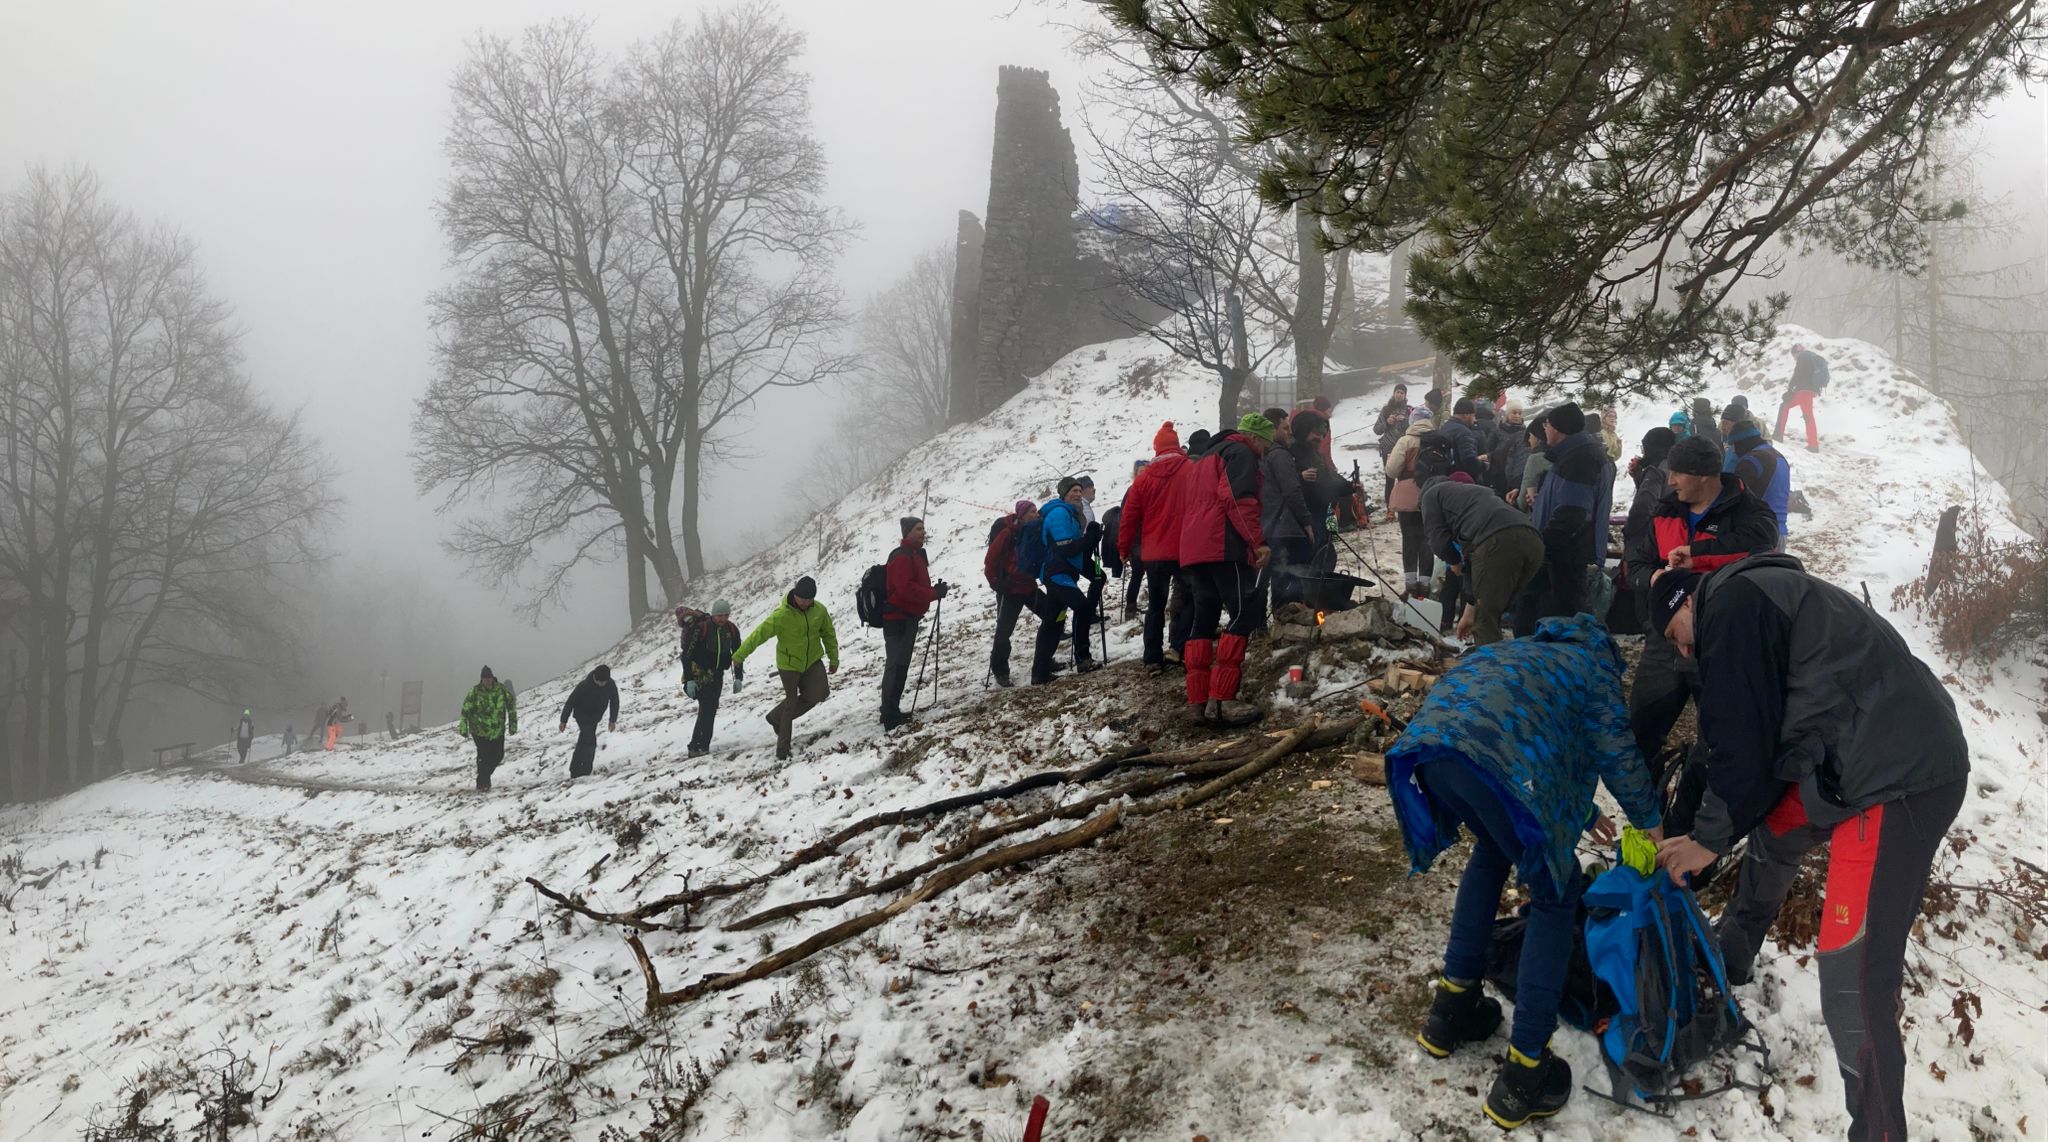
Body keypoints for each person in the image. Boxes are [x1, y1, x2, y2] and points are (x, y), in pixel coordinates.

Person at [1648, 559, 1968, 1142]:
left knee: (1852, 974)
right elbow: (1724, 749)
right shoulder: (1757, 599)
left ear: (1687, 607)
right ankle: (1731, 957)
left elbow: (1741, 749)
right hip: (1854, 753)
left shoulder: (1734, 607)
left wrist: (1705, 843)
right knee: (1778, 834)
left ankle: (1876, 1132)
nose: (1684, 653)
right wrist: (1687, 829)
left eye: (1676, 637)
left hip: (1898, 777)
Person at [1387, 614, 1663, 1129]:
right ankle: (1526, 1071)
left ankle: (1452, 1009)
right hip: (1493, 762)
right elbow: (1616, 753)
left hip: (1432, 750)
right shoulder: (1592, 666)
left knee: (1493, 849)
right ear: (1605, 650)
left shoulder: (1521, 652)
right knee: (1556, 895)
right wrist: (1651, 824)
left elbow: (1532, 728)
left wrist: (1582, 813)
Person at [1620, 436, 1780, 768]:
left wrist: (1696, 555)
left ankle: (1699, 813)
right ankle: (1648, 812)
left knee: (1722, 741)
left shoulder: (1747, 510)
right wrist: (1653, 579)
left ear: (1705, 475)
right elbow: (1634, 565)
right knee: (1640, 733)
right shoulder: (1665, 510)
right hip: (1664, 641)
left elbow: (1762, 543)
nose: (1670, 480)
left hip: (1721, 644)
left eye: (1678, 473)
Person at [1180, 413, 1272, 727]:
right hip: (1223, 545)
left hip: (1194, 548)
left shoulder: (1204, 457)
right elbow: (1237, 499)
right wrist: (1257, 542)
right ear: (1255, 438)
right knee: (1244, 611)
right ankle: (1223, 699)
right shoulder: (1241, 452)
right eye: (1266, 445)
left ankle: (1197, 703)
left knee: (1203, 618)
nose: (1264, 453)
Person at [1419, 474, 1544, 644]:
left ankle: (1487, 667)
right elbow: (1475, 569)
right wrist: (1469, 613)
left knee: (1485, 621)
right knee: (1502, 607)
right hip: (1533, 540)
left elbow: (1438, 541)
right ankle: (1525, 658)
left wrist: (1454, 561)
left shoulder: (1430, 495)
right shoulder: (1475, 497)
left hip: (1497, 541)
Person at [1521, 403, 1612, 634]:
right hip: (1561, 551)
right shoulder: (1571, 455)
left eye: (1547, 425)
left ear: (1558, 429)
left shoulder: (1579, 460)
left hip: (1564, 553)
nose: (1545, 430)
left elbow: (1573, 512)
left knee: (1563, 616)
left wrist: (1543, 545)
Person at [734, 576, 839, 761]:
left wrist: (833, 658)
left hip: (812, 661)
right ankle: (782, 749)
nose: (806, 603)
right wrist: (739, 655)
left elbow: (828, 634)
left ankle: (776, 717)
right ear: (795, 595)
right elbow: (758, 635)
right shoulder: (782, 615)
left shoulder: (819, 611)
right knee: (790, 702)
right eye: (802, 599)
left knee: (820, 693)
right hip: (789, 665)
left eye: (809, 600)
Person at [1119, 423, 1194, 673]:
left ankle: (1152, 658)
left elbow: (1129, 516)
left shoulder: (1144, 479)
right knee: (1189, 598)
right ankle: (1179, 647)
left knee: (1155, 605)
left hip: (1154, 554)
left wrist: (1124, 548)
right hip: (1185, 550)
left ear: (1157, 449)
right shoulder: (1191, 469)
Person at [881, 517, 947, 730]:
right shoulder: (903, 557)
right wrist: (933, 594)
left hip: (906, 618)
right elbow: (905, 589)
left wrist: (932, 593)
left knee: (900, 665)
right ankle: (889, 714)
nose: (923, 532)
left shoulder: (915, 554)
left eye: (923, 528)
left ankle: (891, 710)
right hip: (897, 619)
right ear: (907, 532)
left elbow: (912, 586)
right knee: (896, 666)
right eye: (918, 529)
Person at [1033, 479, 1101, 684]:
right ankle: (1083, 659)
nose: (1078, 494)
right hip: (1057, 574)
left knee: (1053, 621)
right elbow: (1065, 547)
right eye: (1073, 490)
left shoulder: (1071, 514)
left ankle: (1040, 673)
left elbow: (1076, 549)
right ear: (1063, 494)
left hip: (1063, 573)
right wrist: (1088, 538)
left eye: (1080, 490)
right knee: (1081, 608)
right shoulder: (1059, 513)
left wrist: (1092, 538)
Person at [988, 500, 1055, 687]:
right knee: (1004, 632)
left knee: (1053, 616)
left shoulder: (1035, 530)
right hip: (1010, 589)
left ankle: (1045, 660)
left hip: (1028, 586)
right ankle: (1000, 672)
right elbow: (990, 561)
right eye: (1031, 512)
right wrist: (998, 585)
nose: (1035, 514)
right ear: (1021, 515)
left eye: (1036, 511)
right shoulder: (1008, 534)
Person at [1260, 407, 1316, 611]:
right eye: (1285, 428)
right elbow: (1291, 491)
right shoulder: (1280, 455)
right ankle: (1288, 621)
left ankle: (1275, 621)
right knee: (1291, 579)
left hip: (1269, 527)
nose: (1289, 432)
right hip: (1288, 528)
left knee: (1277, 577)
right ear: (1272, 429)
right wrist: (1307, 522)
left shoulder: (1260, 456)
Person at [680, 600, 743, 756]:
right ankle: (697, 746)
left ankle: (700, 746)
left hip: (718, 674)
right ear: (713, 614)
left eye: (726, 615)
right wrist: (689, 680)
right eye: (719, 615)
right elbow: (686, 656)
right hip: (700, 673)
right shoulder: (701, 628)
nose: (722, 618)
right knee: (707, 707)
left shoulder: (732, 629)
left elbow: (738, 654)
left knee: (711, 708)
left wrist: (738, 677)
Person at [1385, 413, 1438, 597]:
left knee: (1409, 538)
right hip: (1433, 495)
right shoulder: (1438, 440)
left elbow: (1391, 471)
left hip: (1408, 496)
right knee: (1427, 539)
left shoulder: (1406, 441)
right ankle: (1424, 585)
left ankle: (1410, 584)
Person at [1727, 421, 1791, 545]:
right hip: (1779, 530)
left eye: (1734, 445)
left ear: (1742, 442)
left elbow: (1735, 496)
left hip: (1758, 532)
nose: (1734, 451)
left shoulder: (1752, 460)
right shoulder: (1778, 456)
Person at [457, 667, 517, 792]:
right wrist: (463, 727)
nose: (487, 682)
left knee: (498, 756)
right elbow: (465, 710)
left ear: (492, 678)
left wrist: (513, 724)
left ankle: (483, 778)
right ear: (481, 679)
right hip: (479, 731)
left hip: (497, 730)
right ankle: (483, 783)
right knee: (484, 756)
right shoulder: (475, 692)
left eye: (489, 679)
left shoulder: (501, 689)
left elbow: (511, 706)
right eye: (485, 679)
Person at [556, 664, 619, 778]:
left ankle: (575, 771)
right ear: (595, 678)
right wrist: (563, 721)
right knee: (590, 741)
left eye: (603, 682)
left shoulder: (610, 685)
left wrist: (612, 720)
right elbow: (570, 702)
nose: (601, 684)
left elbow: (615, 701)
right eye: (599, 682)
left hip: (595, 717)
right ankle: (584, 771)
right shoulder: (584, 686)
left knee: (584, 741)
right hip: (582, 715)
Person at [1779, 343, 1828, 452]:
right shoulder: (1811, 357)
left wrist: (1790, 391)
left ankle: (1813, 445)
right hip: (1809, 391)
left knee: (1807, 416)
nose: (1794, 359)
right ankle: (1779, 434)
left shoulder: (1803, 357)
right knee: (1787, 407)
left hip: (1804, 392)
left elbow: (1797, 375)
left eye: (1794, 356)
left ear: (1796, 353)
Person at [1488, 401, 1529, 499]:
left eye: (1519, 413)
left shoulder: (1525, 433)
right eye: (1514, 412)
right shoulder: (1497, 431)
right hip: (1498, 473)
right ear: (1507, 414)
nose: (1517, 416)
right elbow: (1489, 449)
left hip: (1515, 473)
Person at [1511, 415, 1549, 510]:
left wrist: (1515, 500)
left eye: (1530, 436)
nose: (1529, 440)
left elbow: (1523, 502)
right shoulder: (1564, 455)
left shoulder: (1535, 459)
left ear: (1538, 438)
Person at [1441, 398, 1484, 480]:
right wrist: (1483, 465)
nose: (1474, 420)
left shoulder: (1445, 427)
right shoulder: (1464, 432)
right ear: (1466, 415)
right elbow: (1469, 461)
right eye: (1473, 416)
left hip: (1445, 476)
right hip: (1461, 478)